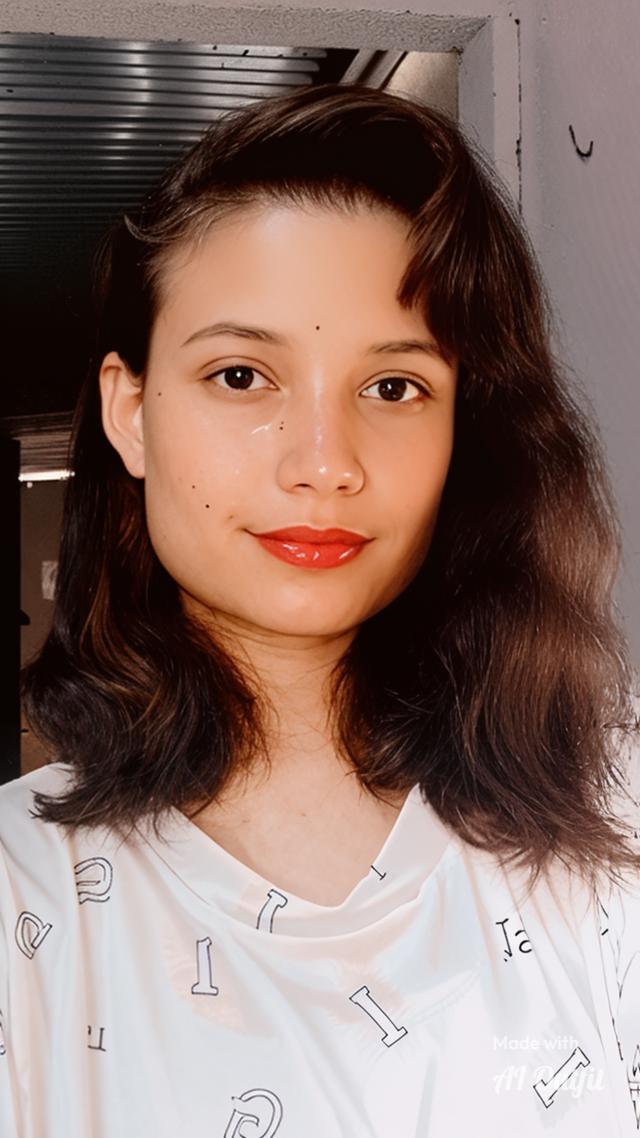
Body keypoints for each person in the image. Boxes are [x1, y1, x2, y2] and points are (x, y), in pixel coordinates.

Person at [1, 84, 639, 1136]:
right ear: (132, 411)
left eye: (393, 388)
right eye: (241, 375)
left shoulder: (612, 810)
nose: (325, 463)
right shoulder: (23, 894)